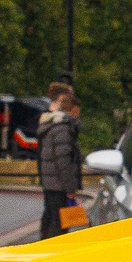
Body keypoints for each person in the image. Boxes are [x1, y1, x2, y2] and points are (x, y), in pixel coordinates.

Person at [38, 84, 82, 239]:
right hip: (58, 185)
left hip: (51, 183)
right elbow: (63, 162)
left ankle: (43, 249)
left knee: (50, 219)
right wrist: (70, 187)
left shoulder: (53, 126)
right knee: (59, 225)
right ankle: (52, 254)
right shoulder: (63, 129)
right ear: (74, 109)